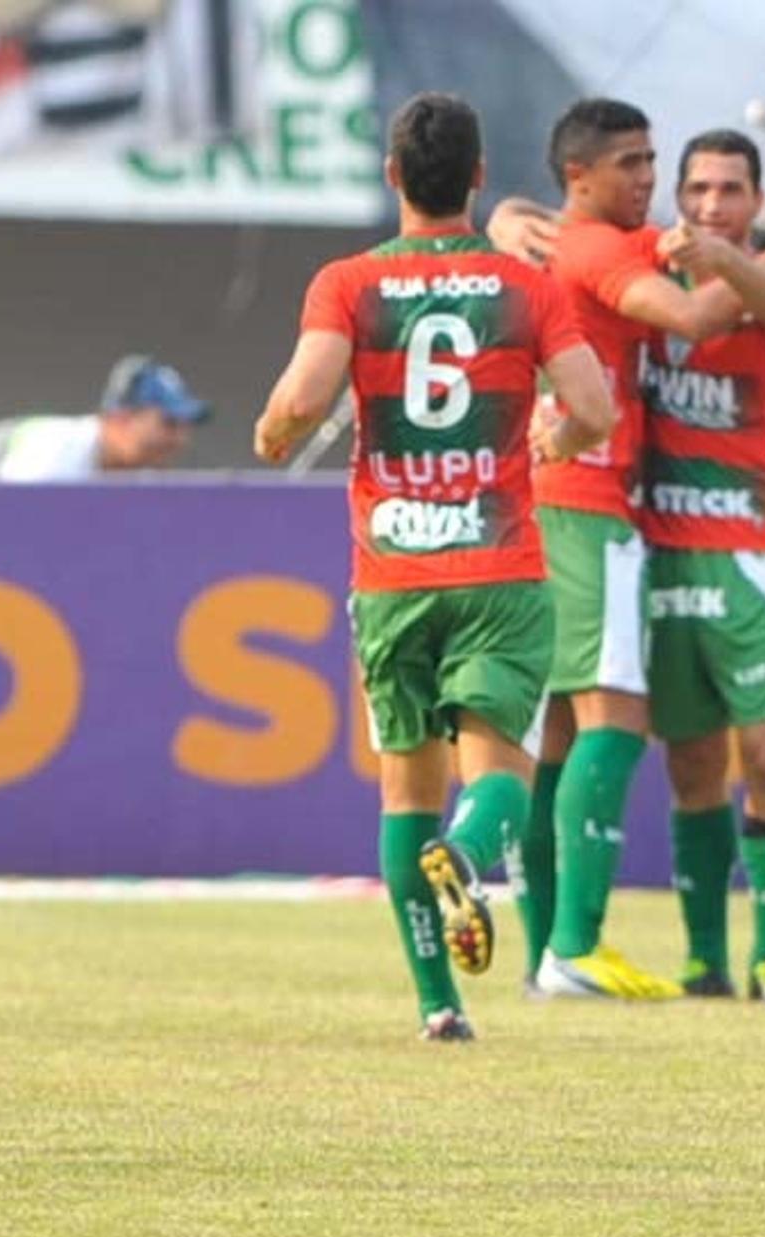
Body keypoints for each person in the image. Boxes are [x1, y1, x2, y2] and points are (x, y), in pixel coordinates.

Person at [253, 91, 614, 1041]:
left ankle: (438, 1007)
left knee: (402, 785)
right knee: (502, 774)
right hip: (497, 563)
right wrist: (560, 436)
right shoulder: (524, 288)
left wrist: (274, 431)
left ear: (392, 177)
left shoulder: (348, 282)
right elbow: (594, 405)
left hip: (393, 574)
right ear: (480, 178)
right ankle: (467, 852)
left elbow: (302, 398)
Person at [487, 99, 765, 1002]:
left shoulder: (563, 240)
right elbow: (686, 315)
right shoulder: (595, 247)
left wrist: (502, 212)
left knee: (554, 732)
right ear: (581, 177)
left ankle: (549, 949)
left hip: (557, 508)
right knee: (614, 722)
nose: (647, 180)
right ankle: (576, 947)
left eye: (649, 162)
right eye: (634, 164)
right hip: (588, 504)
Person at [642, 130, 765, 1003]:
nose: (711, 204)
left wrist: (730, 255)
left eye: (730, 190)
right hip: (668, 550)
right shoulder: (644, 276)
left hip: (761, 550)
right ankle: (704, 958)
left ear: (757, 202)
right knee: (690, 768)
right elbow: (542, 229)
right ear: (674, 195)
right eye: (699, 190)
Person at [0, 354, 209, 481]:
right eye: (168, 423)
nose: (179, 439)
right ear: (121, 419)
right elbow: (8, 523)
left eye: (185, 426)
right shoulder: (57, 450)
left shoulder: (133, 474)